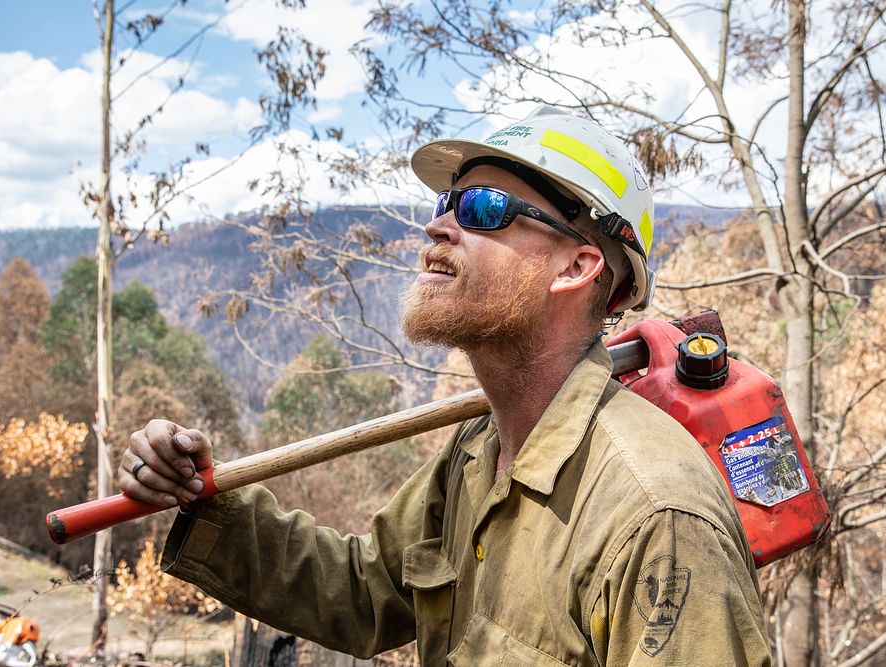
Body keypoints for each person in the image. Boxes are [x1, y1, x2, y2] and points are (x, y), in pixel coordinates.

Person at [119, 106, 772, 665]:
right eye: (445, 203)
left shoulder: (657, 518)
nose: (438, 226)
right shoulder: (477, 450)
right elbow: (363, 585)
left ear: (576, 265)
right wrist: (202, 502)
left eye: (483, 208)